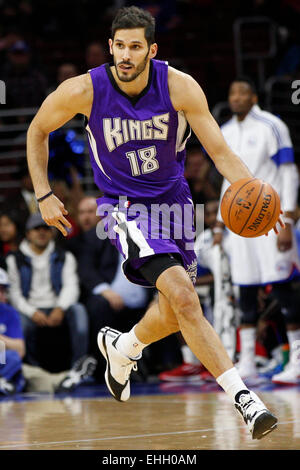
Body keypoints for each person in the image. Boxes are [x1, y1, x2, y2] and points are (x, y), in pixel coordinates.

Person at [26, 6, 283, 439]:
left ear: (151, 49)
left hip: (175, 204)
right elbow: (37, 130)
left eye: (135, 47)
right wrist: (44, 194)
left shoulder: (180, 86)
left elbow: (220, 153)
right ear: (111, 46)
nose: (126, 55)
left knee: (173, 310)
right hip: (123, 207)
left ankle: (125, 346)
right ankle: (245, 399)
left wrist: (258, 196)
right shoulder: (84, 90)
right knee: (184, 297)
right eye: (119, 46)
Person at [214, 77, 300, 384]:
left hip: (272, 220)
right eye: (232, 92)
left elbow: (289, 173)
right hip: (239, 224)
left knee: (281, 288)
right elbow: (228, 181)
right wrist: (220, 224)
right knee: (245, 290)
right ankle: (247, 361)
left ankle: (297, 360)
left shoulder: (271, 126)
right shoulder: (224, 132)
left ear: (253, 97)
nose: (236, 97)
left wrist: (288, 220)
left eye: (242, 92)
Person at [6, 213, 90, 377]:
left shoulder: (64, 256)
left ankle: (78, 369)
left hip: (57, 305)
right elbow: (14, 294)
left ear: (52, 232)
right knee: (20, 321)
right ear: (28, 233)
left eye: (46, 228)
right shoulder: (14, 259)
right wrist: (32, 312)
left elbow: (71, 286)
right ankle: (32, 372)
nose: (41, 232)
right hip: (29, 308)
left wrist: (60, 307)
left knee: (79, 311)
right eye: (36, 229)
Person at [0, 267, 26, 395]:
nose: (1, 294)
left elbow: (20, 350)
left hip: (2, 361)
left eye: (2, 289)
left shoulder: (9, 312)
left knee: (13, 357)